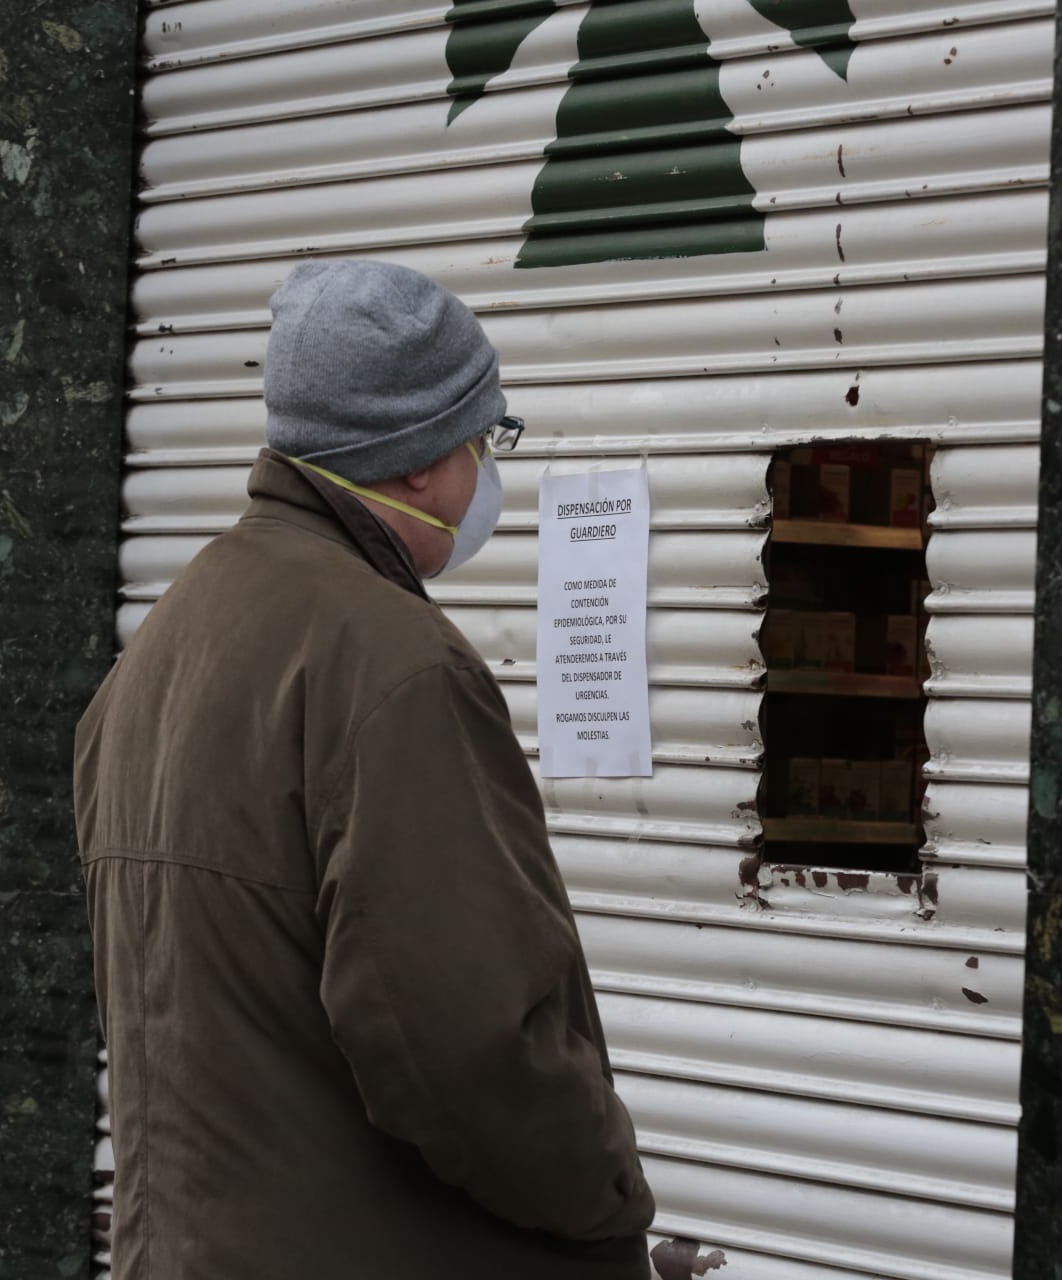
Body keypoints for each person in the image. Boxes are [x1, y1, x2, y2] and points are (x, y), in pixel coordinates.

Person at [75, 260, 656, 1278]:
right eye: (486, 439)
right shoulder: (395, 665)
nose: (489, 473)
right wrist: (608, 1196)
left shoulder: (162, 643)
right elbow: (464, 1044)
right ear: (425, 462)